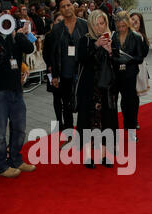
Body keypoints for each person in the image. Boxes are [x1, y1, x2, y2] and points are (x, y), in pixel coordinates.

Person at [0, 18, 36, 178]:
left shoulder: (18, 39)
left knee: (20, 128)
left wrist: (20, 34)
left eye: (10, 23)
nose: (7, 26)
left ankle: (16, 159)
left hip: (16, 90)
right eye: (4, 23)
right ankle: (1, 165)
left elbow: (29, 48)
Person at [76, 9, 118, 169]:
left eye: (103, 23)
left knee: (107, 121)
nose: (100, 27)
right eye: (96, 24)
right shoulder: (85, 41)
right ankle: (88, 157)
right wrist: (96, 45)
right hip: (89, 89)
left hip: (106, 89)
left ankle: (104, 156)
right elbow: (82, 59)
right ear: (91, 25)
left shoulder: (112, 40)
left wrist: (110, 52)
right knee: (88, 122)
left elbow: (119, 63)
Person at [50, 0, 88, 147]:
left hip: (82, 71)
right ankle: (69, 136)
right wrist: (54, 75)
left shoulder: (84, 25)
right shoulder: (57, 29)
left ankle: (83, 134)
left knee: (84, 104)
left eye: (68, 5)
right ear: (60, 10)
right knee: (66, 105)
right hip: (64, 72)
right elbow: (53, 54)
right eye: (63, 6)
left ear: (73, 6)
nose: (66, 8)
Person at [112, 11, 144, 142]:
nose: (121, 29)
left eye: (123, 26)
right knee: (113, 102)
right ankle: (112, 132)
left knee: (129, 103)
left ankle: (131, 130)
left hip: (130, 74)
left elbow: (140, 57)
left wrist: (128, 60)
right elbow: (111, 54)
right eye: (119, 26)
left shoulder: (135, 37)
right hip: (115, 74)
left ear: (128, 24)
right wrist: (116, 58)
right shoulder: (114, 36)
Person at [43, 12, 65, 131]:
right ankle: (59, 121)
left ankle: (67, 120)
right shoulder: (49, 36)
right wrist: (50, 66)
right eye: (58, 20)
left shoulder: (67, 34)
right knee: (56, 97)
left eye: (62, 20)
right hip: (53, 71)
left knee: (66, 97)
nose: (60, 23)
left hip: (65, 70)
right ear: (53, 22)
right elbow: (45, 53)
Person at [130, 12, 150, 129]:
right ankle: (129, 119)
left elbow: (144, 53)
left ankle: (134, 120)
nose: (134, 22)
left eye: (137, 20)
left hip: (139, 69)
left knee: (135, 97)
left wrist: (138, 37)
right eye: (132, 19)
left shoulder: (141, 36)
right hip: (126, 70)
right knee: (127, 97)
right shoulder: (123, 35)